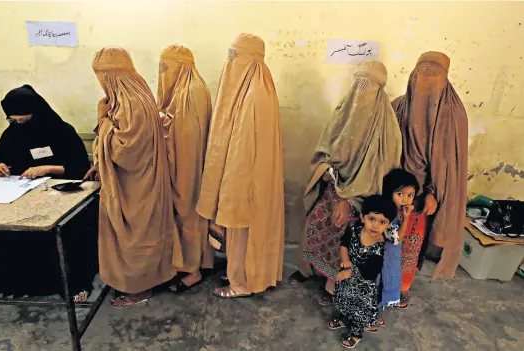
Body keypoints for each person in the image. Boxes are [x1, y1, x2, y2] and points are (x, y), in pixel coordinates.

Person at [0, 84, 96, 312]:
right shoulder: (11, 134)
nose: (19, 126)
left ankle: (76, 282)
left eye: (24, 121)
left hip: (60, 193)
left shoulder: (61, 130)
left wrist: (45, 169)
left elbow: (80, 167)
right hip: (20, 191)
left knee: (66, 225)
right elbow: (0, 159)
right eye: (13, 121)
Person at [292, 60, 402, 306]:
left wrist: (348, 200)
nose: (361, 91)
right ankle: (309, 270)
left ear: (379, 90)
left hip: (363, 203)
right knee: (315, 223)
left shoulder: (387, 128)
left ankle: (334, 286)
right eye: (358, 83)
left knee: (346, 237)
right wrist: (326, 173)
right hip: (333, 189)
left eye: (368, 85)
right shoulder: (343, 113)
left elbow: (383, 172)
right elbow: (323, 153)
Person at [195, 33, 285, 298]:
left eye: (235, 56)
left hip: (246, 180)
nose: (230, 62)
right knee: (243, 232)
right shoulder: (252, 88)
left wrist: (228, 189)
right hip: (246, 178)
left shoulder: (254, 95)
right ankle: (242, 272)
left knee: (245, 228)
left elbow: (242, 152)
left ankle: (243, 283)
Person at [85, 47, 176, 307]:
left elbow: (125, 152)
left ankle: (140, 288)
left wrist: (101, 120)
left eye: (102, 76)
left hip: (136, 187)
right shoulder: (136, 95)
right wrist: (100, 164)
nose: (101, 82)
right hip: (140, 182)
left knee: (136, 236)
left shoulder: (132, 104)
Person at [392, 52, 468, 308]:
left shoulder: (454, 114)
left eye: (434, 74)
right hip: (392, 188)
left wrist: (434, 191)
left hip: (426, 195)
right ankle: (379, 281)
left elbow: (450, 161)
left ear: (446, 78)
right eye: (421, 72)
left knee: (411, 243)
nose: (426, 80)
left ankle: (401, 286)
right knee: (385, 237)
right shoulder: (398, 106)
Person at [156, 45, 214, 292]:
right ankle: (198, 262)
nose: (162, 73)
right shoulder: (187, 89)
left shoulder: (191, 92)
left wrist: (157, 121)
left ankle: (192, 270)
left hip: (187, 167)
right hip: (188, 164)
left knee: (188, 213)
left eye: (166, 67)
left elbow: (184, 135)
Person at [328, 195, 396, 349]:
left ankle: (356, 332)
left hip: (363, 287)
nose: (376, 226)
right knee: (343, 299)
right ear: (362, 217)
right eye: (372, 219)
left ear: (388, 225)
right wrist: (345, 259)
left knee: (360, 310)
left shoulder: (379, 246)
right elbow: (344, 244)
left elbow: (371, 271)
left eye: (382, 222)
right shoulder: (354, 229)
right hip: (346, 279)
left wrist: (350, 272)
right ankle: (345, 318)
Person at [369, 169, 419, 331]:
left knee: (382, 283)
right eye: (400, 194)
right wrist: (406, 219)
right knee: (374, 286)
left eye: (410, 195)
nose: (405, 199)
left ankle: (372, 312)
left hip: (389, 258)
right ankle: (369, 317)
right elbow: (397, 238)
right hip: (379, 258)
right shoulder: (387, 215)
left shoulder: (397, 212)